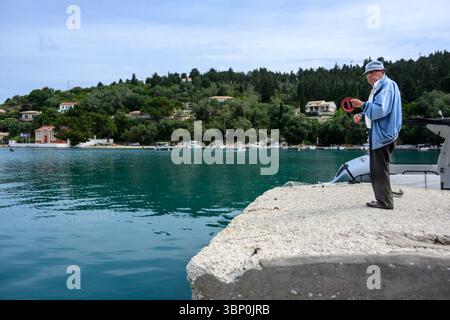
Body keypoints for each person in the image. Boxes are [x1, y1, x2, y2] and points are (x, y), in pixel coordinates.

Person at [351, 61, 403, 210]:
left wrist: (362, 105)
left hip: (383, 135)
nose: (369, 75)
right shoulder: (380, 87)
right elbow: (375, 108)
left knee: (379, 169)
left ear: (382, 71)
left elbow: (381, 110)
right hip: (381, 134)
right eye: (367, 73)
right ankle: (384, 199)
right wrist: (362, 114)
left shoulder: (386, 86)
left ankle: (385, 202)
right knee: (379, 168)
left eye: (373, 72)